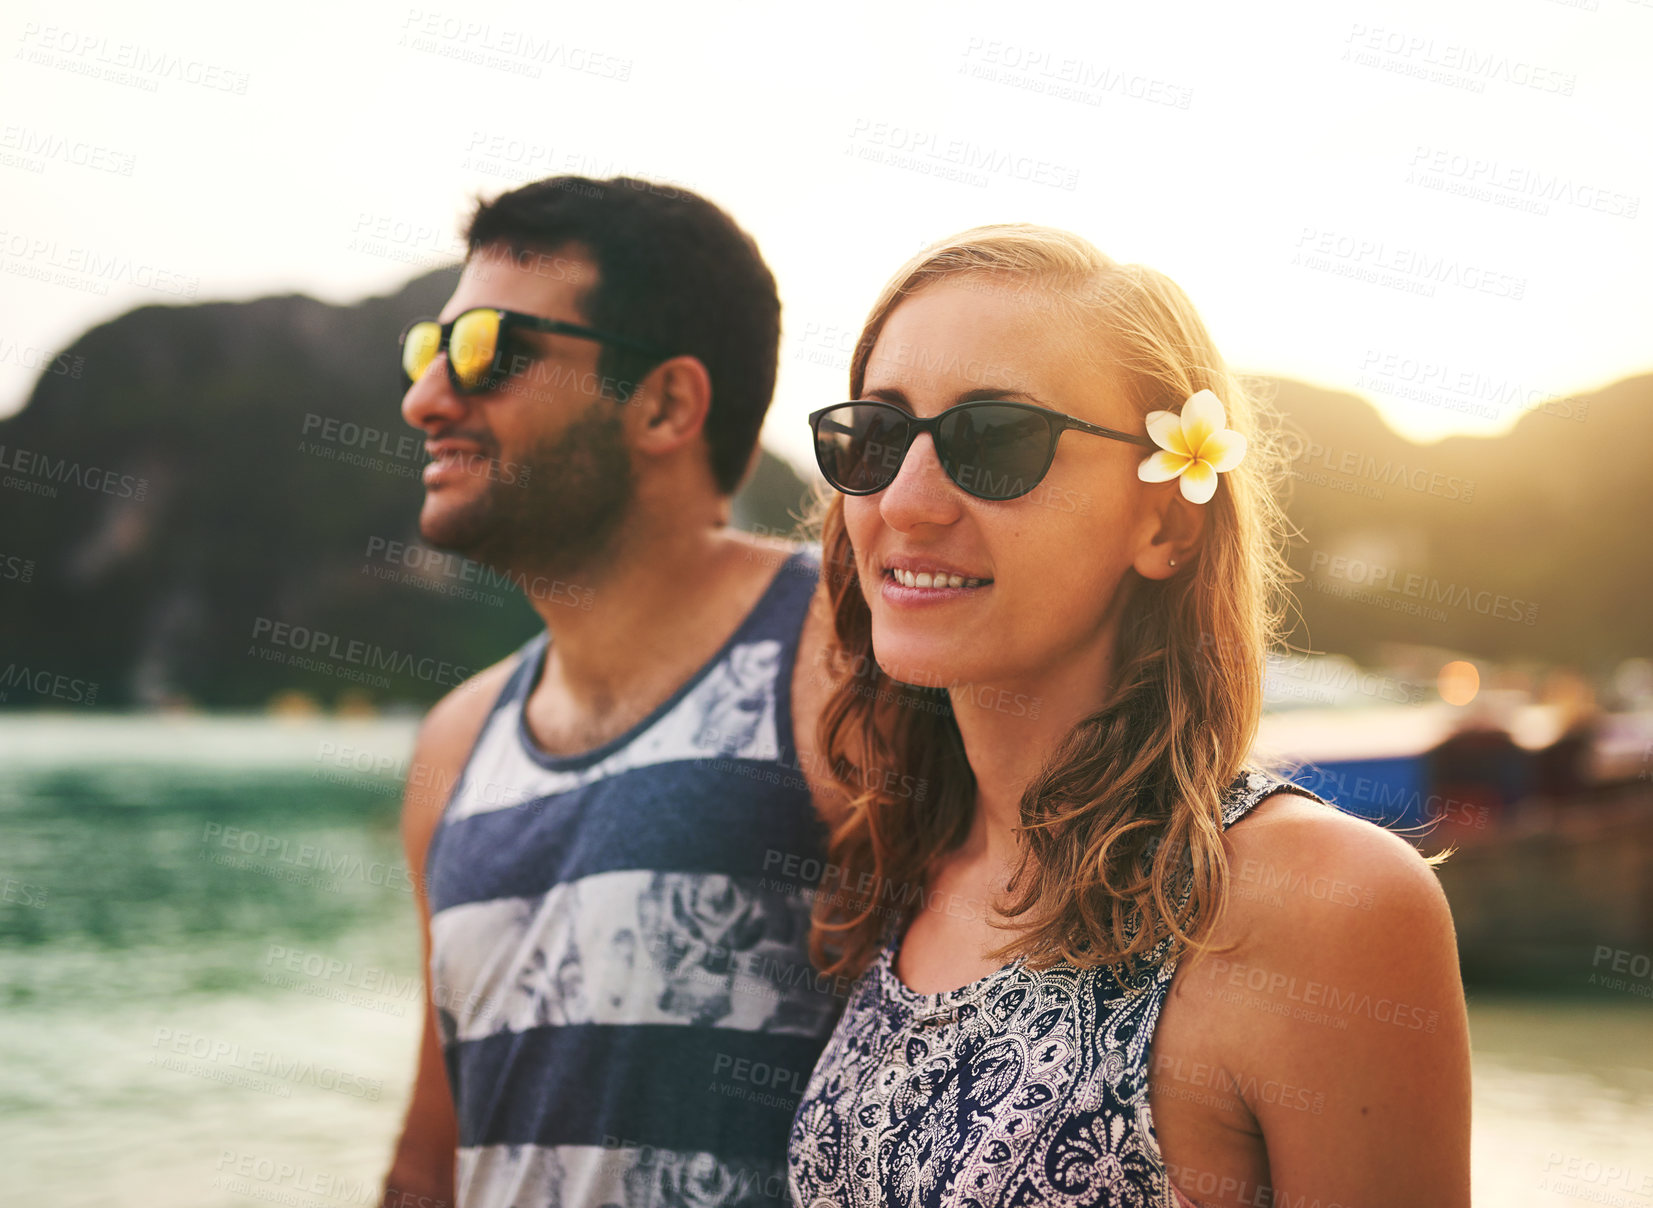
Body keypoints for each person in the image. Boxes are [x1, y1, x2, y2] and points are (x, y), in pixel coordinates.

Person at [786, 226, 1473, 1207]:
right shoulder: (892, 877)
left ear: (1166, 521)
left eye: (996, 440)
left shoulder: (1324, 906)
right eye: (879, 434)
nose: (906, 500)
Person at [381, 175, 847, 1208]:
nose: (424, 397)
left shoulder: (844, 660)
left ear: (665, 402)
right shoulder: (456, 744)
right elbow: (434, 1156)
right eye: (429, 349)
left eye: (487, 350)